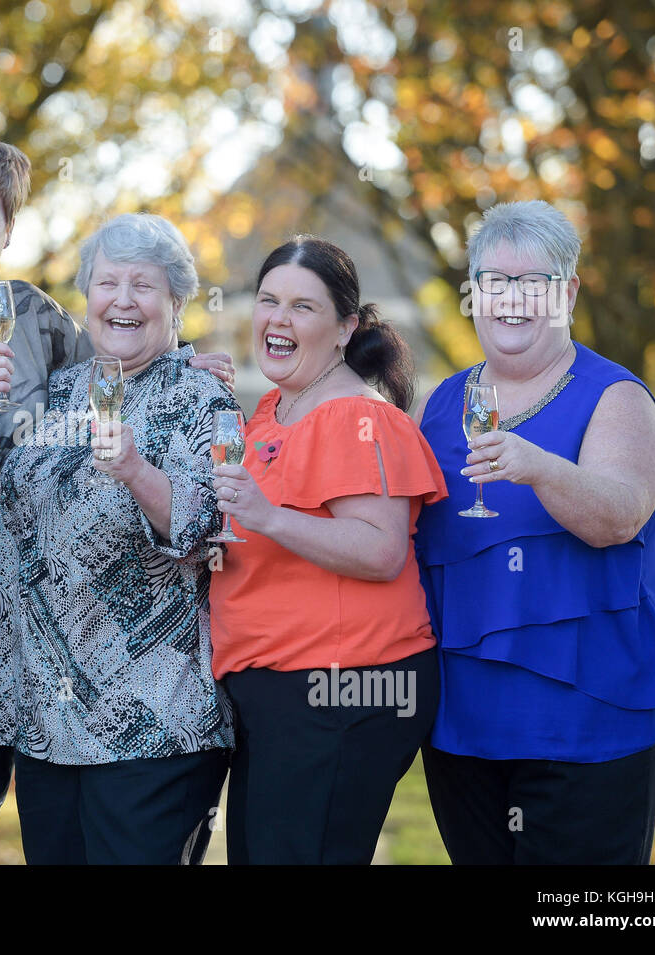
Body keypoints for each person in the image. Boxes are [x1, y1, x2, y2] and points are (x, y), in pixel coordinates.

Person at [0, 127, 234, 864]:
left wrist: (188, 360)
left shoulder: (33, 317)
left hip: (12, 636)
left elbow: (120, 353)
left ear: (5, 230)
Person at [414, 200, 655, 865]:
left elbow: (620, 514)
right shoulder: (443, 403)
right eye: (495, 280)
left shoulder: (618, 397)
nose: (512, 297)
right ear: (473, 292)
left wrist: (539, 466)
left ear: (567, 292)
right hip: (463, 725)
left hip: (594, 718)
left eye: (534, 281)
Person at [0, 213, 236, 864]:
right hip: (47, 719)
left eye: (143, 286)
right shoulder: (57, 390)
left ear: (176, 303)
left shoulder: (203, 396)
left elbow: (213, 529)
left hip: (153, 722)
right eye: (107, 282)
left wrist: (136, 471)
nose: (123, 300)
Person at [209, 235, 447, 865]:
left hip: (341, 687)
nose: (278, 320)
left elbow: (379, 550)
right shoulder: (268, 414)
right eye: (268, 301)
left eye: (303, 307)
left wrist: (267, 515)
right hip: (276, 691)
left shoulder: (356, 418)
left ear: (345, 328)